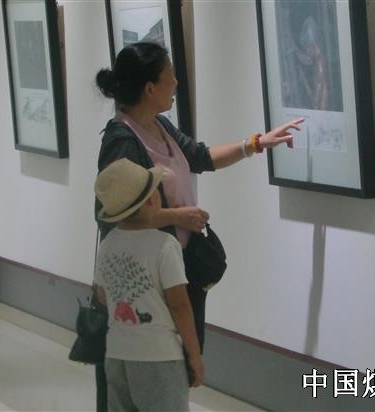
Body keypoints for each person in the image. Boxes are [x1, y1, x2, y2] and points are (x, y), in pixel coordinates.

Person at [94, 41, 303, 411]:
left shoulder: (159, 124)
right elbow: (113, 213)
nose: (177, 82)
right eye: (171, 75)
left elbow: (200, 156)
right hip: (149, 280)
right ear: (150, 88)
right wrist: (177, 217)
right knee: (161, 373)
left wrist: (257, 143)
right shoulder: (121, 140)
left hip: (178, 266)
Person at [94, 158, 202, 412]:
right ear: (151, 200)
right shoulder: (164, 245)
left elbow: (102, 295)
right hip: (159, 357)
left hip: (117, 353)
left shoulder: (108, 244)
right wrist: (194, 355)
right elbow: (179, 305)